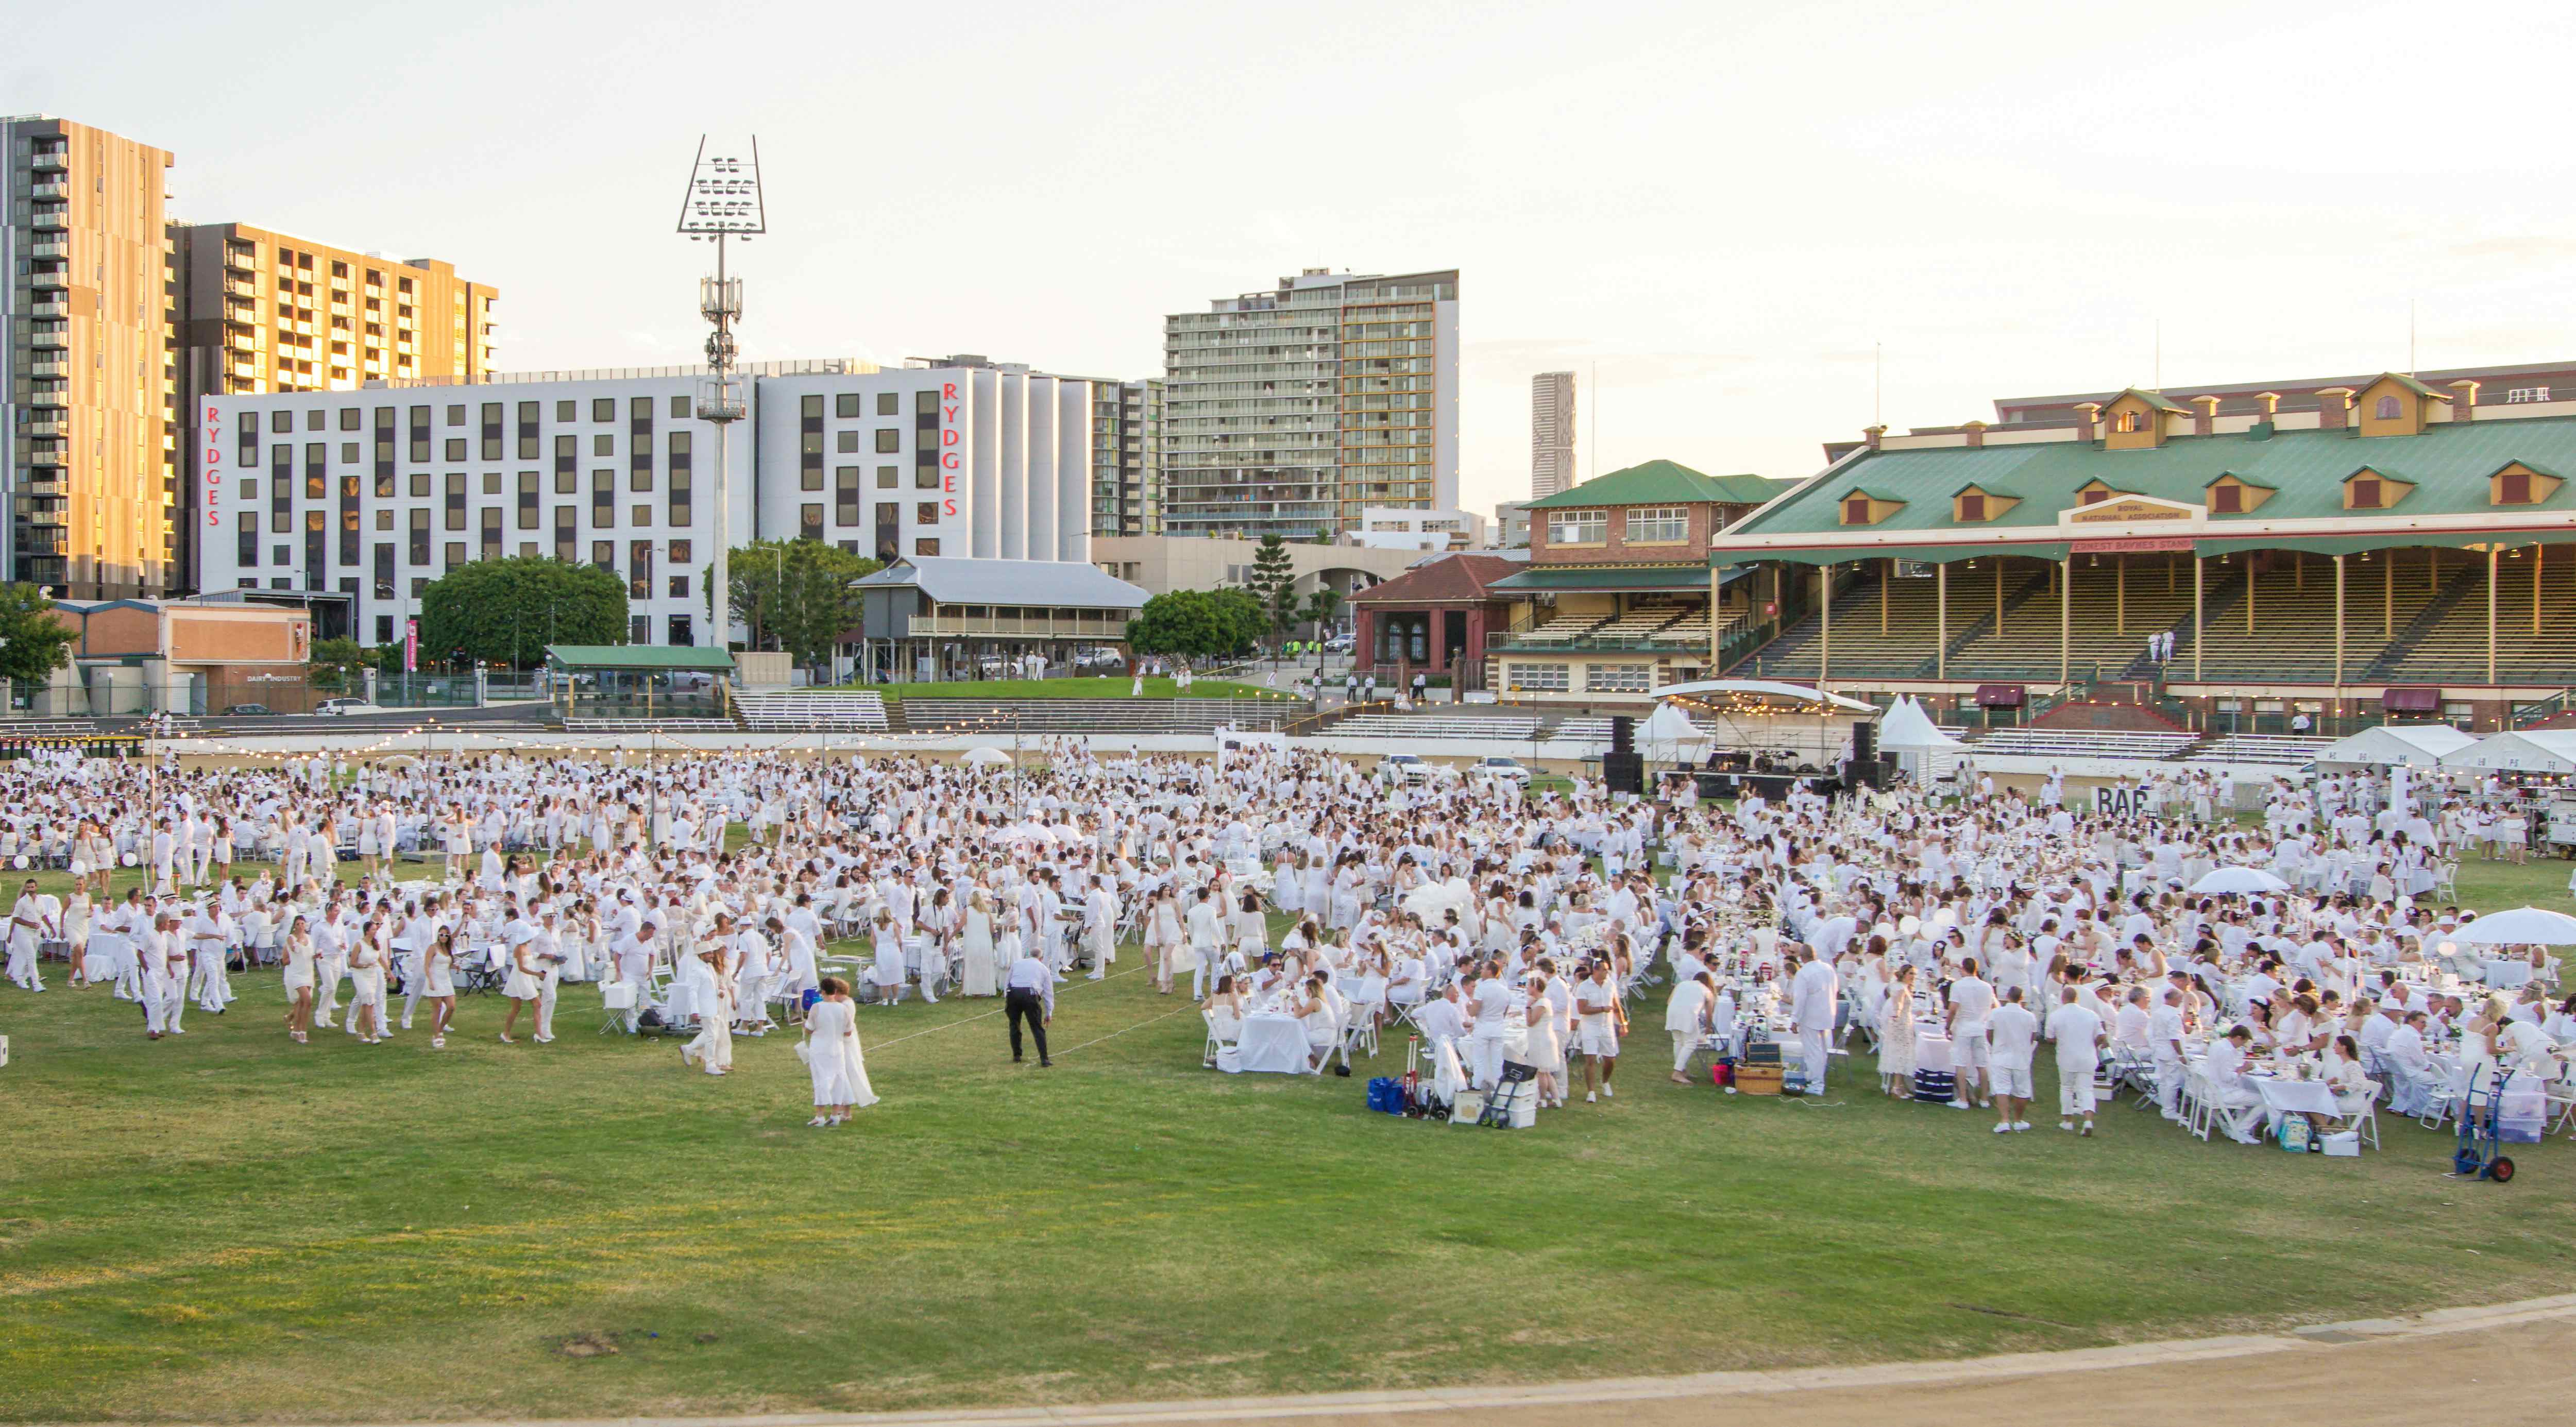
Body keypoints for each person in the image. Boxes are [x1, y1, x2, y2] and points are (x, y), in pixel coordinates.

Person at [801, 977, 876, 1125]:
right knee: (839, 1079)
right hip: (838, 1048)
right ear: (835, 991)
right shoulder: (843, 1009)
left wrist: (806, 1025)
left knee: (821, 1080)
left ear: (823, 992)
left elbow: (809, 1029)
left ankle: (820, 1116)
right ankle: (835, 1115)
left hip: (820, 1048)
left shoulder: (817, 1007)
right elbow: (848, 1032)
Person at [2045, 984, 2105, 1136]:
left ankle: (2068, 1121)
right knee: (2087, 1089)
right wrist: (2093, 1045)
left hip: (2067, 1057)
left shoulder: (2056, 1015)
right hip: (2088, 1057)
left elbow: (2050, 1038)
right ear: (2077, 999)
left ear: (2063, 999)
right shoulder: (2091, 1015)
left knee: (2066, 1088)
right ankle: (2088, 1121)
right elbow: (2102, 1036)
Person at [1986, 986, 2039, 1133]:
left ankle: (2005, 1120)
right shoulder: (2029, 1016)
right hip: (2020, 1057)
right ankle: (2017, 1120)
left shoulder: (1996, 1013)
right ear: (2021, 998)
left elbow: (1989, 1034)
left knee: (2002, 1089)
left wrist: (1996, 1046)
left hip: (2002, 1056)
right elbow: (2032, 1037)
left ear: (2008, 996)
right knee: (2022, 1091)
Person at [1572, 957, 1625, 1103]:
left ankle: (1605, 1082)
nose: (1607, 972)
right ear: (1595, 970)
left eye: (1608, 969)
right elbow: (1582, 1009)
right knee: (1590, 1058)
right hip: (1590, 1027)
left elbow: (1616, 1006)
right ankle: (1591, 1092)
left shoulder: (1610, 985)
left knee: (1611, 1059)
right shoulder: (1584, 987)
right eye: (1604, 970)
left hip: (1607, 1027)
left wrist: (1623, 1023)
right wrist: (1602, 1009)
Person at [1789, 944, 1837, 1096]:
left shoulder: (1803, 973)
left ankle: (1817, 1084)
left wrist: (1795, 1019)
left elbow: (1800, 998)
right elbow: (1836, 989)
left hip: (1811, 1016)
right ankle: (1817, 1078)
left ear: (1802, 958)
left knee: (1813, 1051)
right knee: (1822, 1050)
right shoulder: (1828, 968)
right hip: (1827, 1013)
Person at [1005, 937, 1059, 1066]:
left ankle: (1017, 1055)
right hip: (1030, 994)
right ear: (1041, 958)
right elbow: (1048, 993)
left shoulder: (1018, 964)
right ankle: (1044, 1059)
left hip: (1013, 993)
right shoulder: (1043, 968)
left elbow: (1007, 981)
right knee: (1037, 1028)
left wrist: (1007, 1000)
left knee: (1014, 1025)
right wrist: (1049, 1013)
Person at [1665, 969, 1714, 1085]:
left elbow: (1669, 1001)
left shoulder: (1682, 984)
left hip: (1672, 1012)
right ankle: (1677, 1072)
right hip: (1688, 1014)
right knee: (1690, 1044)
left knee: (1678, 1042)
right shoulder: (1707, 991)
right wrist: (1708, 1028)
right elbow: (1709, 1014)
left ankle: (1682, 1070)